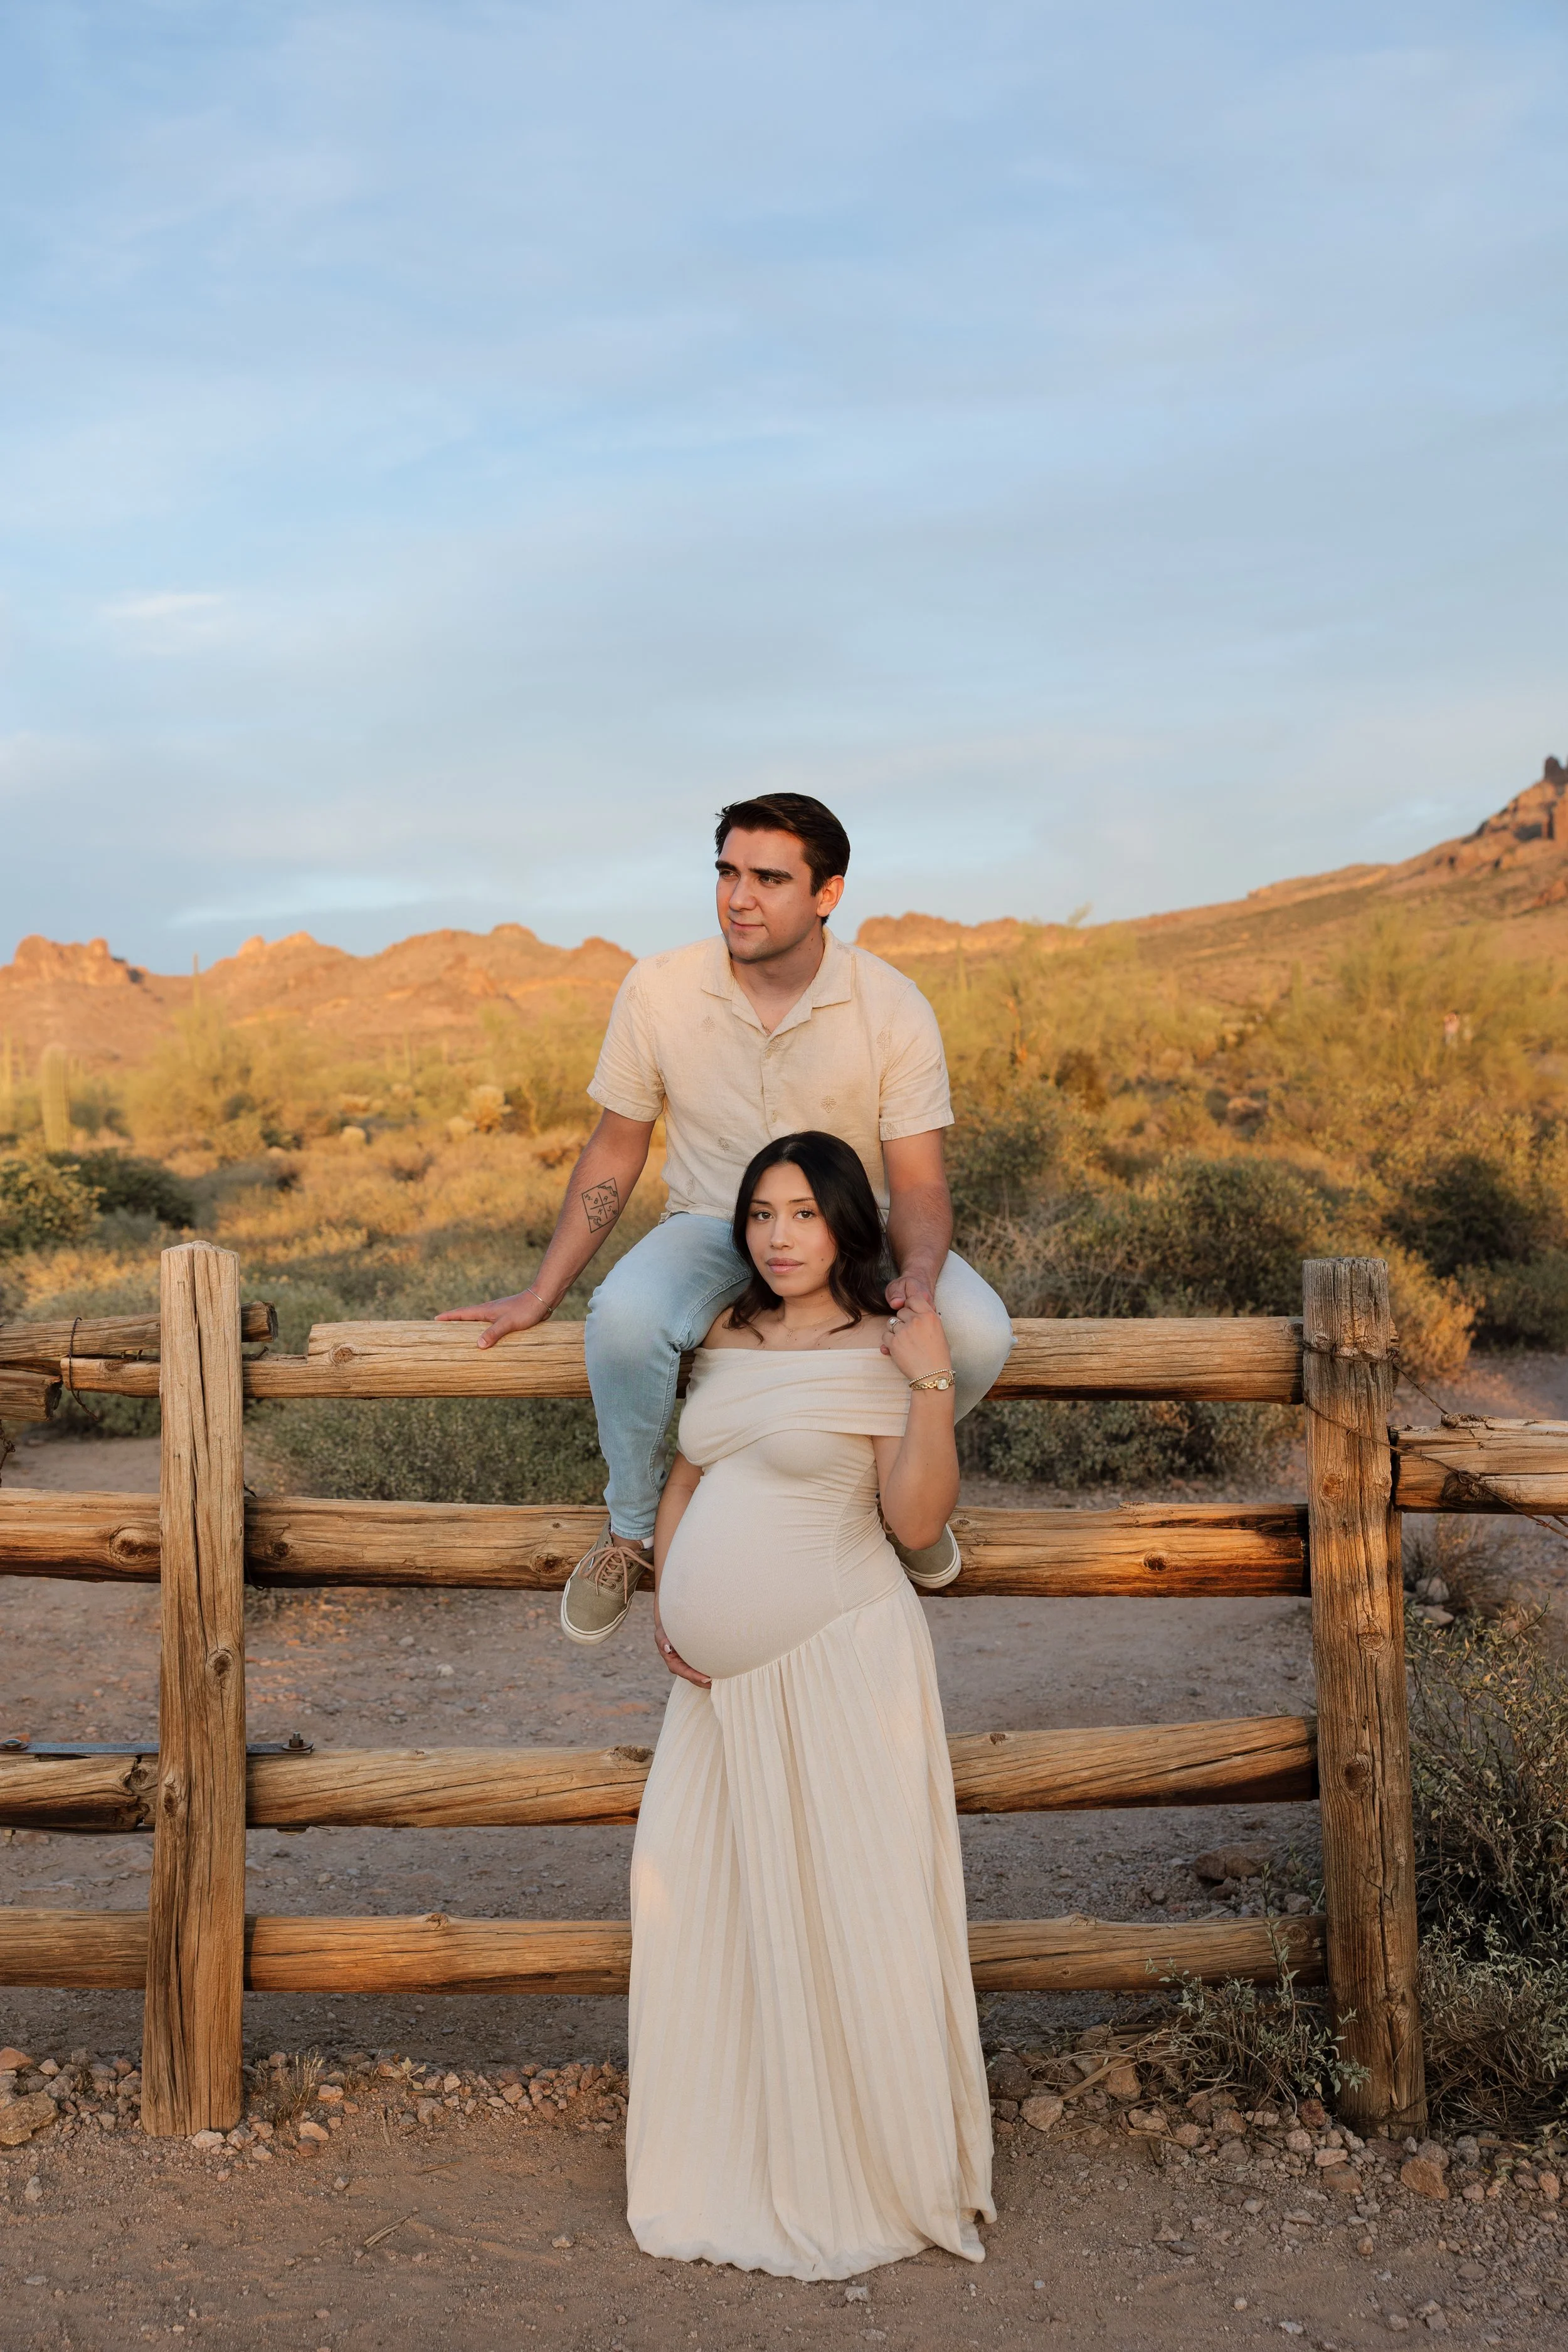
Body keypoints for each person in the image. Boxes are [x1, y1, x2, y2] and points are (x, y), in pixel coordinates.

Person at [437, 791, 1014, 1642]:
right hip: (711, 1222)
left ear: (828, 894)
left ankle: (886, 1492)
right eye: (727, 872)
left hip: (857, 1226)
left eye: (769, 878)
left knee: (977, 1332)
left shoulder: (891, 1004)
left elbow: (919, 1181)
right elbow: (614, 1147)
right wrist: (541, 1290)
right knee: (626, 1318)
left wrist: (918, 1280)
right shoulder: (661, 989)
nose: (738, 897)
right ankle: (633, 1530)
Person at [627, 1130, 993, 2277]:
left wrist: (931, 1375)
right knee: (700, 1904)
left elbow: (918, 1517)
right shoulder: (727, 1329)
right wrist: (673, 1603)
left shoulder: (885, 1341)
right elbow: (690, 1469)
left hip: (836, 1663)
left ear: (845, 1223)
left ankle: (861, 2166)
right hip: (718, 1687)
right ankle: (730, 2152)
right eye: (761, 1214)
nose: (778, 1237)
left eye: (803, 1214)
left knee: (849, 1914)